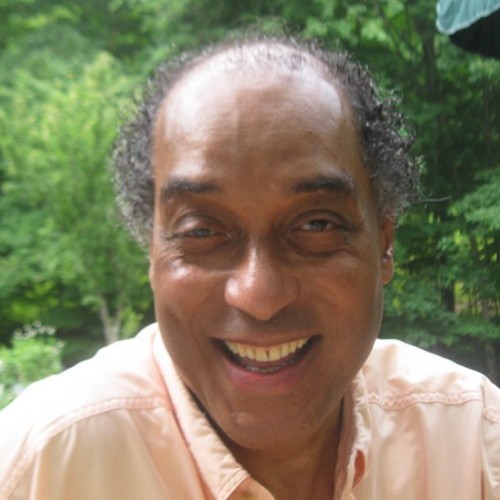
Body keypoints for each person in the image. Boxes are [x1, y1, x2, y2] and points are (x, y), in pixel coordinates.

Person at [0, 35, 499, 500]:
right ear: (151, 251)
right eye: (201, 231)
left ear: (384, 244)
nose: (259, 295)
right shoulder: (41, 466)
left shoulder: (472, 443)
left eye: (316, 225)